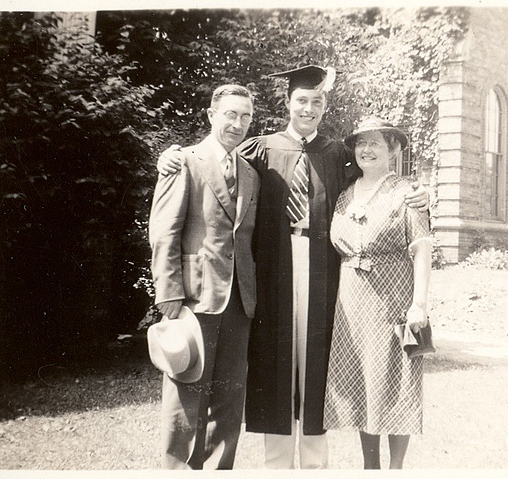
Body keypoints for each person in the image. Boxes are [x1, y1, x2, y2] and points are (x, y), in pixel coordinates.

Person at [156, 65, 429, 469]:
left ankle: (315, 465)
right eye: (301, 100)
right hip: (271, 274)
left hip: (325, 273)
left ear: (324, 107)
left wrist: (419, 190)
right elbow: (215, 161)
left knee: (319, 363)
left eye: (317, 102)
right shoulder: (260, 148)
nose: (309, 108)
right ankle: (277, 464)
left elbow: (379, 181)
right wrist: (172, 154)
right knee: (274, 361)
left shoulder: (337, 154)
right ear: (288, 103)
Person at [148, 84, 261, 469]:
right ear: (212, 115)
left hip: (239, 302)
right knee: (186, 399)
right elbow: (163, 231)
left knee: (229, 404)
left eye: (246, 116)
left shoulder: (250, 172)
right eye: (230, 114)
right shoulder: (184, 161)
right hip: (194, 299)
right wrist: (168, 293)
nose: (238, 123)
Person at [323, 117, 432, 469]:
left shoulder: (407, 192)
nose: (366, 150)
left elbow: (422, 249)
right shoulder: (344, 194)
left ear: (394, 150)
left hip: (393, 297)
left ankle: (395, 470)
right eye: (360, 143)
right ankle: (370, 468)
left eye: (375, 143)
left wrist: (419, 305)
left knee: (396, 381)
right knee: (361, 380)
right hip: (352, 301)